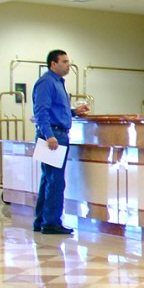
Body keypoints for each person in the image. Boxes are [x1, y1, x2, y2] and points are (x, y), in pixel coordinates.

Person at [33, 49, 90, 235]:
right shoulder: (47, 82)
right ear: (53, 64)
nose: (68, 65)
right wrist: (49, 135)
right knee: (55, 181)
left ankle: (42, 219)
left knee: (48, 179)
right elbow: (41, 111)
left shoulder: (58, 83)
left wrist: (74, 112)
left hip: (56, 133)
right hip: (53, 136)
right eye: (64, 62)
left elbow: (56, 110)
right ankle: (51, 222)